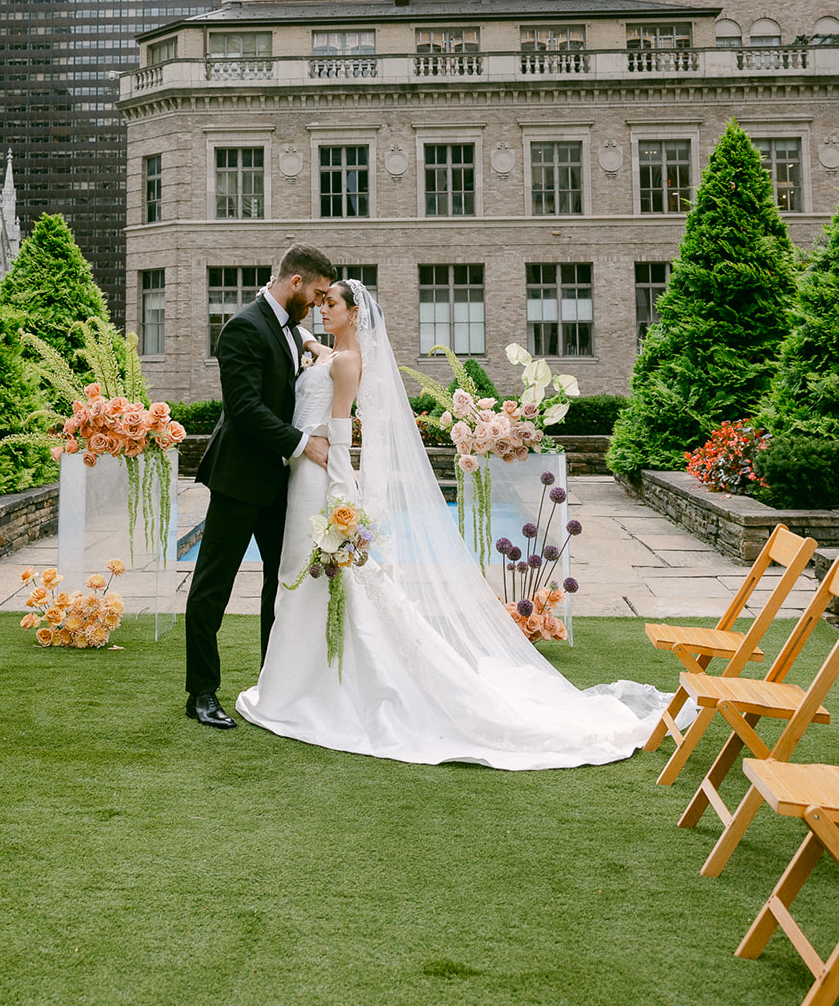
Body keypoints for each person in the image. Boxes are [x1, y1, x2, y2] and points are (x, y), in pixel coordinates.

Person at [237, 279, 676, 769]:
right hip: (301, 478)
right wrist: (282, 314)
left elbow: (339, 433)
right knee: (300, 582)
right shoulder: (331, 352)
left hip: (319, 480)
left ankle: (307, 691)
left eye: (330, 304)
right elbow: (317, 350)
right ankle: (300, 682)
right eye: (320, 303)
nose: (321, 311)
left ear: (354, 313)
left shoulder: (345, 361)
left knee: (320, 581)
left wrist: (342, 502)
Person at [184, 242, 337, 729]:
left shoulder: (293, 330)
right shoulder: (243, 328)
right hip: (239, 479)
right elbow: (246, 409)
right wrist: (303, 444)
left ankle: (275, 686)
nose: (316, 304)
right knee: (213, 587)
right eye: (314, 294)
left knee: (282, 584)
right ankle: (201, 693)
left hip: (280, 485)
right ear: (295, 283)